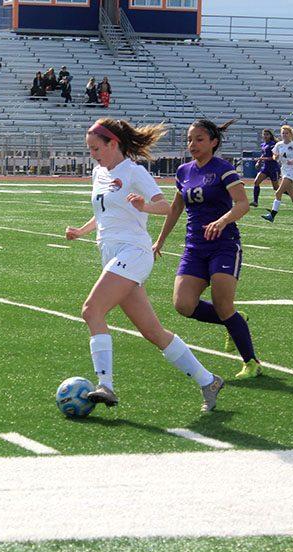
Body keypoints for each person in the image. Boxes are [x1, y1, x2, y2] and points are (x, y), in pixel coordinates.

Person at [65, 118, 224, 412]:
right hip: (111, 253)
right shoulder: (98, 172)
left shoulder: (134, 172)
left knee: (91, 310)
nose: (93, 154)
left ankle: (106, 385)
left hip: (134, 252)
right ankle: (209, 381)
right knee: (153, 332)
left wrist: (144, 206)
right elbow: (103, 215)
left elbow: (166, 206)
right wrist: (80, 231)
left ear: (113, 143)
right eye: (90, 149)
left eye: (96, 148)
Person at [154, 119, 261, 380]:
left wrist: (222, 220)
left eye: (199, 139)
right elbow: (176, 208)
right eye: (190, 139)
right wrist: (160, 240)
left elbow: (243, 204)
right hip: (194, 247)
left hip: (224, 246)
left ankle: (252, 362)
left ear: (214, 142)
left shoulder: (224, 169)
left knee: (223, 304)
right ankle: (235, 321)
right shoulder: (183, 171)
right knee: (183, 305)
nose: (193, 145)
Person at [251, 129, 280, 207]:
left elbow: (273, 158)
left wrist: (261, 159)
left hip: (273, 168)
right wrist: (259, 162)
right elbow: (263, 154)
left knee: (276, 188)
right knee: (256, 182)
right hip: (265, 168)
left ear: (270, 135)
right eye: (264, 134)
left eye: (267, 134)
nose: (265, 136)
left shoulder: (273, 144)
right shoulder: (263, 144)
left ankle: (292, 194)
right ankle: (255, 202)